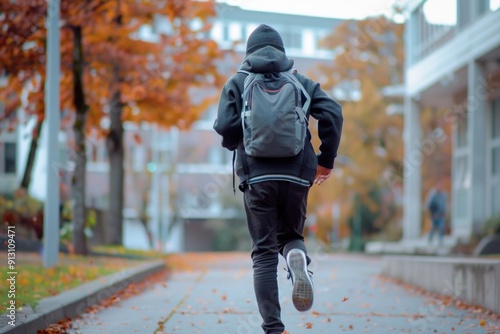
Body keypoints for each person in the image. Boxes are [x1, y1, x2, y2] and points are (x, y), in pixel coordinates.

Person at [213, 24, 343, 334]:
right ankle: (297, 255)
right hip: (297, 173)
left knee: (264, 251)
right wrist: (325, 160)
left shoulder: (238, 82)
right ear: (282, 52)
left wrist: (237, 141)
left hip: (257, 177)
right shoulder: (300, 82)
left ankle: (274, 327)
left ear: (249, 53)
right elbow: (333, 114)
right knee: (290, 235)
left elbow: (225, 126)